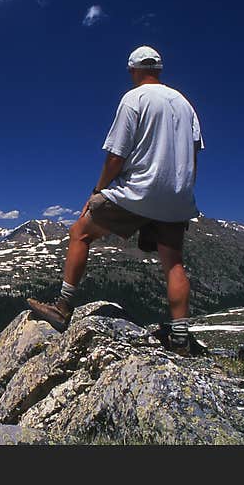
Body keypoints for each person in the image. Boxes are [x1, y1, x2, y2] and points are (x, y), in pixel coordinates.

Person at [27, 45, 204, 356]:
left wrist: (98, 190)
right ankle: (180, 338)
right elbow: (194, 153)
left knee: (80, 232)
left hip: (138, 189)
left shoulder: (133, 99)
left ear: (133, 70)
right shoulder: (184, 103)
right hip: (177, 194)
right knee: (173, 262)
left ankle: (63, 307)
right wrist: (182, 190)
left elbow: (116, 155)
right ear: (158, 69)